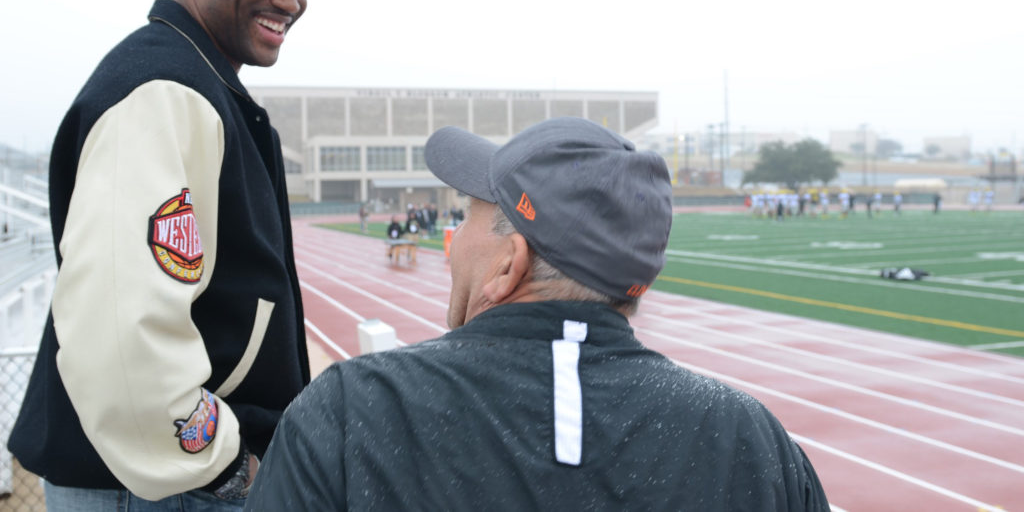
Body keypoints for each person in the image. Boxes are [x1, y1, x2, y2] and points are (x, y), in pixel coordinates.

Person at [244, 117, 829, 511]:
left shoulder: (352, 409)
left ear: (510, 262)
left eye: (468, 215)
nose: (453, 238)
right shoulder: (753, 439)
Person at [7, 0, 346, 509]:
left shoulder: (195, 81)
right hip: (157, 488)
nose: (292, 1)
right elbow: (121, 326)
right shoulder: (163, 91)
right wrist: (223, 466)